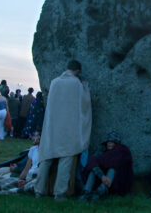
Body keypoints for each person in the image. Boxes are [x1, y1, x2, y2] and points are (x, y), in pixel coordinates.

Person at [35, 60, 92, 201]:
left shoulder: (54, 82)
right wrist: (85, 87)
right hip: (68, 128)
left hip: (52, 127)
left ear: (66, 68)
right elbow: (84, 104)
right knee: (66, 158)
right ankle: (59, 193)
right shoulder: (76, 84)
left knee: (46, 158)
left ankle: (38, 191)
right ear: (77, 71)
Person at [80, 131, 133, 201]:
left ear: (116, 144)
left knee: (112, 169)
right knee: (93, 169)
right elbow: (93, 161)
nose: (109, 143)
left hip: (114, 181)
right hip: (101, 177)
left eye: (112, 142)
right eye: (108, 142)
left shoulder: (121, 151)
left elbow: (117, 164)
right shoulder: (102, 150)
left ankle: (99, 193)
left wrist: (105, 178)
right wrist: (101, 176)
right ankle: (86, 192)